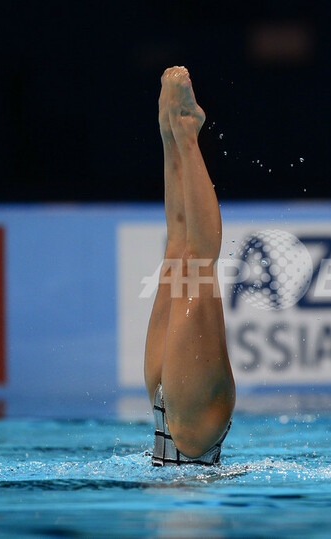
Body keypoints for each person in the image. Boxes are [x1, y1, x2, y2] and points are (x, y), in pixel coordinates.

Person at [144, 67, 236, 466]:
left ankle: (177, 131)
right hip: (180, 434)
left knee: (184, 252)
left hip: (184, 434)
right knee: (185, 253)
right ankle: (177, 131)